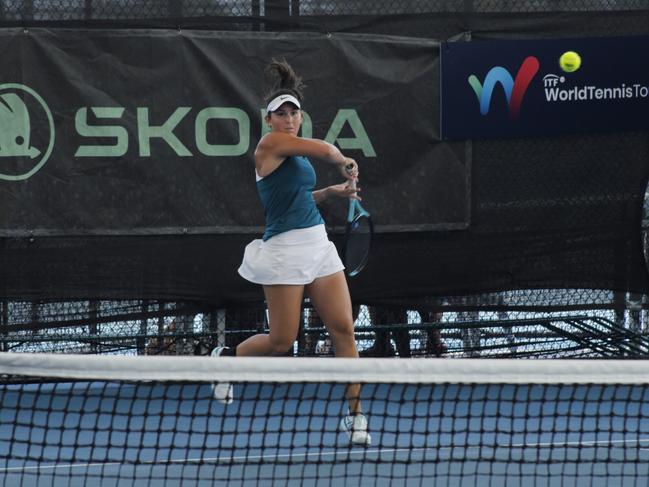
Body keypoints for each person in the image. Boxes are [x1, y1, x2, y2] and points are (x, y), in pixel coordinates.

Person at [211, 59, 370, 446]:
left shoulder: (294, 158)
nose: (287, 118)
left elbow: (297, 199)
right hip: (283, 251)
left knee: (344, 329)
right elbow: (324, 149)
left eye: (292, 112)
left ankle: (356, 416)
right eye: (280, 113)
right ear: (268, 121)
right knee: (282, 341)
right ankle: (226, 360)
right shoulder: (269, 145)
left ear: (300, 116)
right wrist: (341, 158)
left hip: (318, 245)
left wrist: (331, 192)